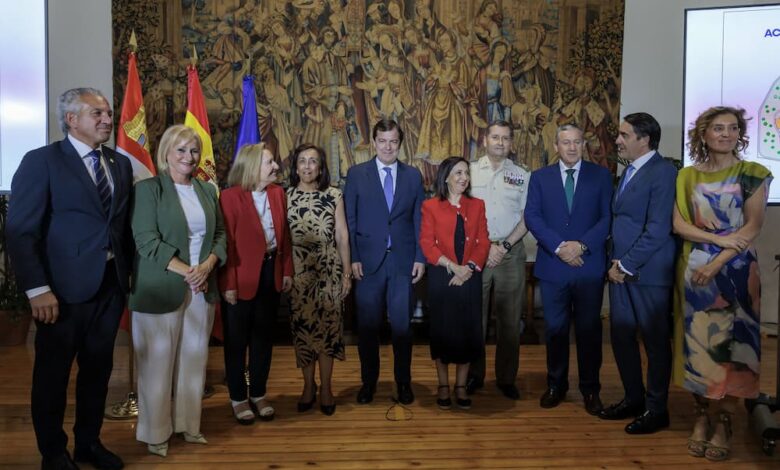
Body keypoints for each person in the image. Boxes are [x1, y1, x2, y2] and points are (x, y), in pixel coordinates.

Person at [6, 87, 132, 470]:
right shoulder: (41, 161)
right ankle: (53, 453)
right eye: (98, 113)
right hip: (60, 292)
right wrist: (37, 289)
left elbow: (120, 229)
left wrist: (129, 280)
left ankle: (88, 444)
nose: (108, 119)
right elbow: (20, 231)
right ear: (72, 119)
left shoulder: (119, 164)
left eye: (108, 113)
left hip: (109, 287)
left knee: (98, 371)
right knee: (53, 376)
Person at [672, 106, 772, 461]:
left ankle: (725, 422)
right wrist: (715, 240)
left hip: (738, 271)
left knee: (735, 350)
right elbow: (679, 225)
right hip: (695, 270)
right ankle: (702, 416)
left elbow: (752, 227)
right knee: (699, 345)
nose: (726, 134)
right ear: (704, 134)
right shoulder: (687, 176)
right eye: (718, 128)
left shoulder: (753, 173)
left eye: (732, 128)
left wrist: (717, 261)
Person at [129, 124, 226, 457]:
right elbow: (146, 241)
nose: (189, 156)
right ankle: (155, 432)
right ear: (166, 153)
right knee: (156, 365)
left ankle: (189, 424)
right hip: (160, 287)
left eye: (194, 150)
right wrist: (190, 272)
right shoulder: (148, 189)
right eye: (181, 149)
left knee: (194, 358)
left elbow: (220, 235)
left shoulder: (206, 190)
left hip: (201, 286)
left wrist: (207, 267)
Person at [524, 124, 612, 415]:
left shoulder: (601, 176)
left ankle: (590, 389)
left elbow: (607, 218)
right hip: (554, 267)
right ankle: (556, 385)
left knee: (589, 331)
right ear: (556, 146)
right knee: (555, 330)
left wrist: (581, 246)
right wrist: (561, 247)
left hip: (588, 266)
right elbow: (532, 217)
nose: (572, 147)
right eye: (566, 142)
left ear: (584, 144)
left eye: (577, 142)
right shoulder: (540, 177)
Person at [600, 113, 676, 434]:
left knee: (655, 343)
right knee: (621, 337)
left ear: (644, 140)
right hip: (620, 271)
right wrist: (615, 264)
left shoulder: (663, 172)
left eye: (624, 135)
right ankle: (634, 398)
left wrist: (625, 264)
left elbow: (658, 228)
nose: (618, 140)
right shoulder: (629, 171)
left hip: (647, 273)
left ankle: (657, 410)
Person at [344, 119, 426, 405]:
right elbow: (350, 220)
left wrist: (420, 257)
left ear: (400, 143)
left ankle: (403, 382)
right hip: (367, 264)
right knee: (368, 328)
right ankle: (369, 383)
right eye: (382, 141)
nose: (388, 147)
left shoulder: (413, 176)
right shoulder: (357, 174)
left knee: (402, 328)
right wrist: (353, 257)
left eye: (393, 141)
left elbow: (419, 220)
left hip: (403, 263)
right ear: (374, 142)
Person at [219, 143, 293, 424]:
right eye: (269, 162)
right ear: (252, 166)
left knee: (263, 338)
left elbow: (285, 237)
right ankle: (238, 398)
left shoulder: (277, 193)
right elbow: (227, 243)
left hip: (271, 273)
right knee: (237, 341)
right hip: (240, 277)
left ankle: (259, 394)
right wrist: (229, 284)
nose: (275, 166)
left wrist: (286, 271)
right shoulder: (229, 197)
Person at [420, 157, 490, 410]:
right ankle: (443, 385)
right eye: (458, 173)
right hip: (442, 276)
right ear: (446, 177)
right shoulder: (430, 206)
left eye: (466, 173)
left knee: (468, 332)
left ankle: (461, 386)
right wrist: (453, 267)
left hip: (470, 276)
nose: (464, 178)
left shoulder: (477, 205)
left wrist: (468, 269)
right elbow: (427, 244)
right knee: (443, 332)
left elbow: (483, 241)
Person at [286, 144, 351, 416]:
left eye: (313, 161)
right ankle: (307, 386)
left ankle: (326, 388)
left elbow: (342, 236)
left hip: (329, 271)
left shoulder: (334, 195)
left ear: (321, 167)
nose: (307, 166)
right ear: (295, 166)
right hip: (298, 273)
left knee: (327, 331)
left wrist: (346, 274)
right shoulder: (285, 196)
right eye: (302, 161)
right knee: (303, 331)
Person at [467, 121, 529, 400]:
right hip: (475, 254)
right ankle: (473, 375)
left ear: (511, 143)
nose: (500, 142)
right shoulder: (468, 171)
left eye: (505, 138)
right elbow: (459, 213)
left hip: (509, 252)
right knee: (474, 319)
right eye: (495, 137)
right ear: (485, 140)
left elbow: (528, 217)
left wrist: (502, 246)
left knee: (510, 320)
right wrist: (483, 247)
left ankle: (506, 378)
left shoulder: (522, 175)